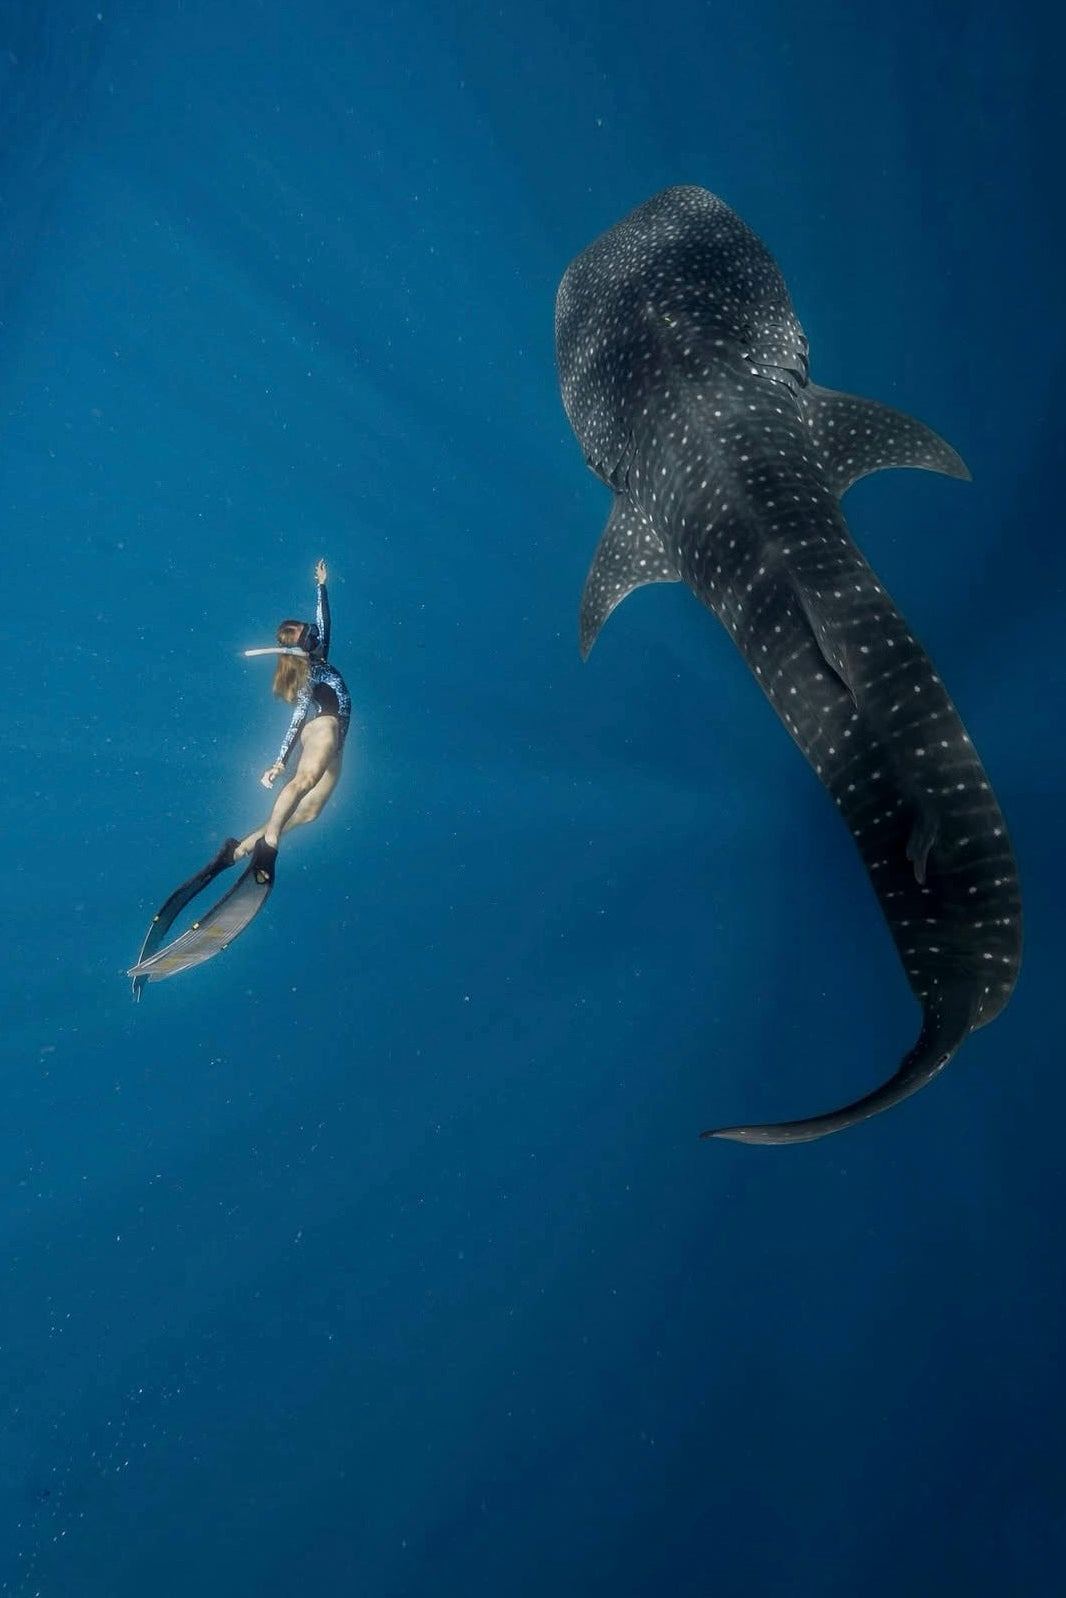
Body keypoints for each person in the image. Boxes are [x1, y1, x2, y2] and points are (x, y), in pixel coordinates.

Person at [234, 558, 351, 885]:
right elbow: (299, 718)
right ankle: (269, 847)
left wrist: (321, 586)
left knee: (311, 811)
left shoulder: (320, 655)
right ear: (298, 650)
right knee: (304, 781)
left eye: (312, 635)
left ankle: (238, 850)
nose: (314, 638)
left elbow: (324, 621)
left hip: (336, 740)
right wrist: (279, 762)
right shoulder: (308, 674)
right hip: (323, 728)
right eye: (308, 639)